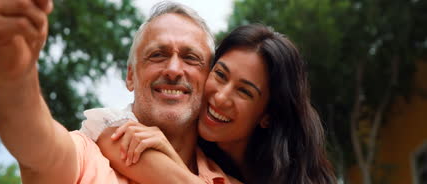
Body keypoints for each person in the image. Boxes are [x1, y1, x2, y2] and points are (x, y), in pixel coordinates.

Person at [0, 0, 236, 183]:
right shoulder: (85, 156)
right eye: (157, 55)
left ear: (208, 79)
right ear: (130, 76)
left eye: (191, 58)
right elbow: (34, 143)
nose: (173, 69)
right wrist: (14, 69)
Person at [87, 24, 336, 183]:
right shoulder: (186, 134)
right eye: (220, 75)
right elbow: (110, 133)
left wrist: (170, 157)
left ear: (267, 115)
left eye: (244, 91)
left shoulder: (288, 173)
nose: (220, 97)